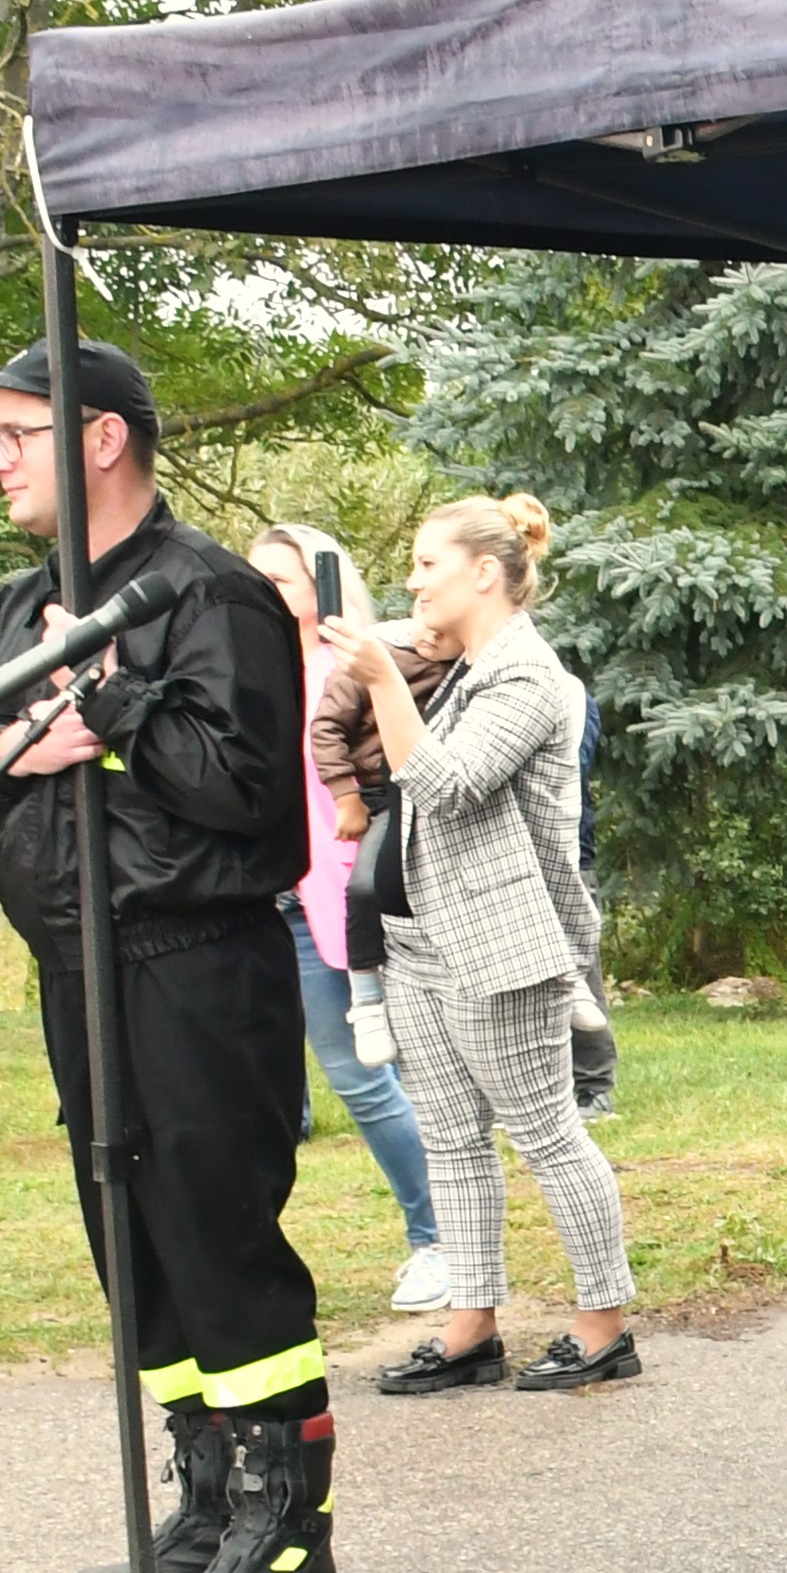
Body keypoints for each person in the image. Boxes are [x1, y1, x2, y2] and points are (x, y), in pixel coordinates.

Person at [0, 345, 335, 1573]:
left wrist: (118, 708)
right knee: (132, 1244)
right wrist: (20, 742)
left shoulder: (209, 594)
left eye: (14, 434)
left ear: (100, 438)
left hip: (195, 965)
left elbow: (249, 792)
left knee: (217, 1238)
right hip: (74, 970)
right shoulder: (15, 604)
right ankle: (207, 1501)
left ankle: (287, 1532)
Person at [335, 497, 639, 1398]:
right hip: (419, 938)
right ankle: (471, 1327)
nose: (412, 581)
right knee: (451, 1141)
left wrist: (384, 682)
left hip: (503, 943)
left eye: (428, 564)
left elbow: (448, 784)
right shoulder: (466, 664)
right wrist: (391, 652)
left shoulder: (528, 676)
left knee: (548, 1135)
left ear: (484, 572)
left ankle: (603, 1325)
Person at [245, 524, 450, 1312]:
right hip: (276, 900)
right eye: (255, 578)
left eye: (281, 580)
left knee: (384, 1077)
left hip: (358, 895)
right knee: (347, 1078)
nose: (265, 593)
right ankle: (440, 1236)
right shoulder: (247, 670)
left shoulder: (355, 665)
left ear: (321, 588)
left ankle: (440, 1240)